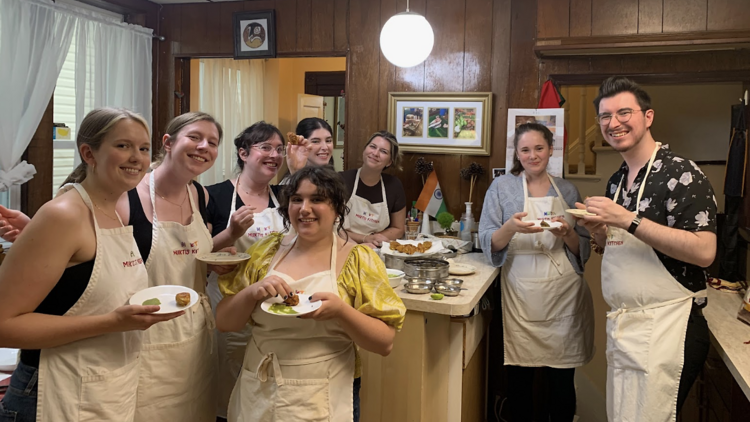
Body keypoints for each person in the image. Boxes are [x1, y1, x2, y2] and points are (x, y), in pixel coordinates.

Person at [0, 108, 182, 422]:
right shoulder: (65, 215)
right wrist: (111, 323)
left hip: (108, 388)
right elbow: (4, 325)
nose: (137, 158)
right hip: (55, 391)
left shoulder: (116, 210)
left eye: (142, 148)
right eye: (123, 146)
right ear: (88, 153)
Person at [215, 165, 406, 422]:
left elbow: (384, 343)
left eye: (317, 199)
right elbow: (225, 323)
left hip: (321, 392)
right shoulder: (265, 251)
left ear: (337, 208)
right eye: (297, 200)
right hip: (259, 385)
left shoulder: (358, 259)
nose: (305, 209)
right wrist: (251, 293)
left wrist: (341, 311)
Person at [576, 76, 717, 421]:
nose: (614, 123)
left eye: (624, 112)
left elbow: (704, 252)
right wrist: (598, 233)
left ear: (648, 116)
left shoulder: (681, 174)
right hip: (626, 327)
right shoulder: (617, 180)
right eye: (605, 117)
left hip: (670, 325)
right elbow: (617, 248)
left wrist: (628, 219)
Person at [479, 122, 594, 422]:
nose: (533, 155)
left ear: (550, 149)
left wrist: (567, 232)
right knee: (519, 379)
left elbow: (581, 244)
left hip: (563, 293)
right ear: (517, 153)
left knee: (561, 383)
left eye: (539, 148)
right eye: (525, 149)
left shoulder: (567, 189)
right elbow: (486, 238)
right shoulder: (502, 187)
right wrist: (509, 228)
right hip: (521, 290)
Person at [205, 121, 310, 420]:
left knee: (267, 385)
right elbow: (200, 251)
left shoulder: (284, 197)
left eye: (279, 149)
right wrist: (225, 241)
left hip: (277, 305)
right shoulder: (215, 196)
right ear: (243, 152)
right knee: (229, 381)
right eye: (265, 147)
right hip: (230, 304)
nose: (274, 155)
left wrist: (297, 165)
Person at [340, 131, 406, 248]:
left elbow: (398, 228)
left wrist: (376, 239)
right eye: (372, 147)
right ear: (364, 150)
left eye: (383, 151)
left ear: (389, 161)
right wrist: (365, 239)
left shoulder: (393, 186)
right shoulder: (341, 180)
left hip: (377, 250)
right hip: (343, 246)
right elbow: (331, 227)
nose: (375, 153)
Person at [279, 117, 334, 183]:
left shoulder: (335, 179)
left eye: (328, 140)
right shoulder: (288, 184)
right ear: (302, 143)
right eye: (316, 141)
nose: (325, 147)